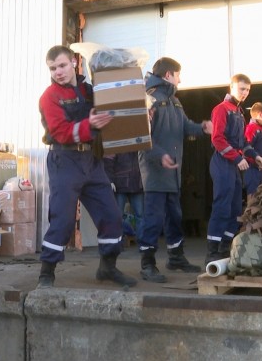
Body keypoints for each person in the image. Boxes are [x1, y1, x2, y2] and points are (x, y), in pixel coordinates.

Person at [37, 45, 136, 289]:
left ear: (73, 62)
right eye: (53, 68)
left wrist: (138, 114)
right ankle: (46, 273)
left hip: (91, 161)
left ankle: (107, 267)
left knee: (111, 215)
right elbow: (60, 132)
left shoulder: (89, 90)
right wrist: (88, 124)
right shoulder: (49, 97)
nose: (58, 72)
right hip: (64, 161)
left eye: (61, 65)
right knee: (62, 220)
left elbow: (111, 112)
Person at [137, 57, 213, 283]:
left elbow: (185, 127)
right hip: (155, 171)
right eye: (179, 74)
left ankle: (176, 258)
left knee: (174, 217)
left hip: (172, 172)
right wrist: (161, 156)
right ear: (169, 74)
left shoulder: (175, 102)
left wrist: (202, 128)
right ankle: (147, 264)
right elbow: (142, 139)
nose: (181, 79)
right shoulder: (148, 99)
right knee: (153, 218)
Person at [206, 74, 262, 265]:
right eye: (242, 89)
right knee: (222, 207)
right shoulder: (221, 109)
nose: (245, 93)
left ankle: (225, 247)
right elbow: (217, 139)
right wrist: (237, 157)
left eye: (248, 90)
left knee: (234, 209)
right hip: (222, 163)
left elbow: (243, 142)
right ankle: (212, 252)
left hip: (234, 165)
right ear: (231, 87)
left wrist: (254, 156)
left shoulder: (239, 113)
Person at [103, 151, 144, 240]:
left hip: (134, 183)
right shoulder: (118, 140)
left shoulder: (140, 141)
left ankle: (142, 242)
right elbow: (108, 162)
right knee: (119, 216)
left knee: (139, 216)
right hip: (121, 184)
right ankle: (118, 241)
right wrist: (110, 180)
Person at [243, 102, 262, 203]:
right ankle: (249, 219)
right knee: (253, 202)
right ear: (260, 115)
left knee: (261, 202)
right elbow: (244, 150)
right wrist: (257, 163)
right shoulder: (252, 129)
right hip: (254, 172)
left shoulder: (261, 130)